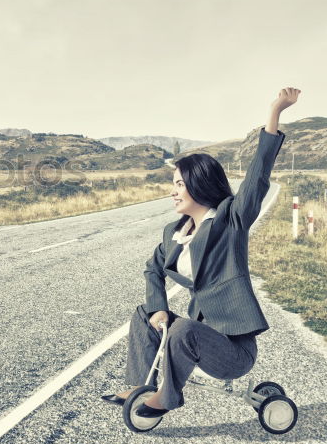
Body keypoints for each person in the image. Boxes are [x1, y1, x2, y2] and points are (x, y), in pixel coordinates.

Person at [101, 87, 301, 417]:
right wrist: (158, 309)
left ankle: (167, 396)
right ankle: (139, 385)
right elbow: (153, 270)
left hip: (233, 348)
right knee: (144, 313)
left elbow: (258, 175)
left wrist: (275, 112)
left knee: (183, 329)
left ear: (199, 183)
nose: (173, 192)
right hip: (197, 334)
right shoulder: (174, 233)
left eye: (179, 183)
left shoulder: (231, 220)